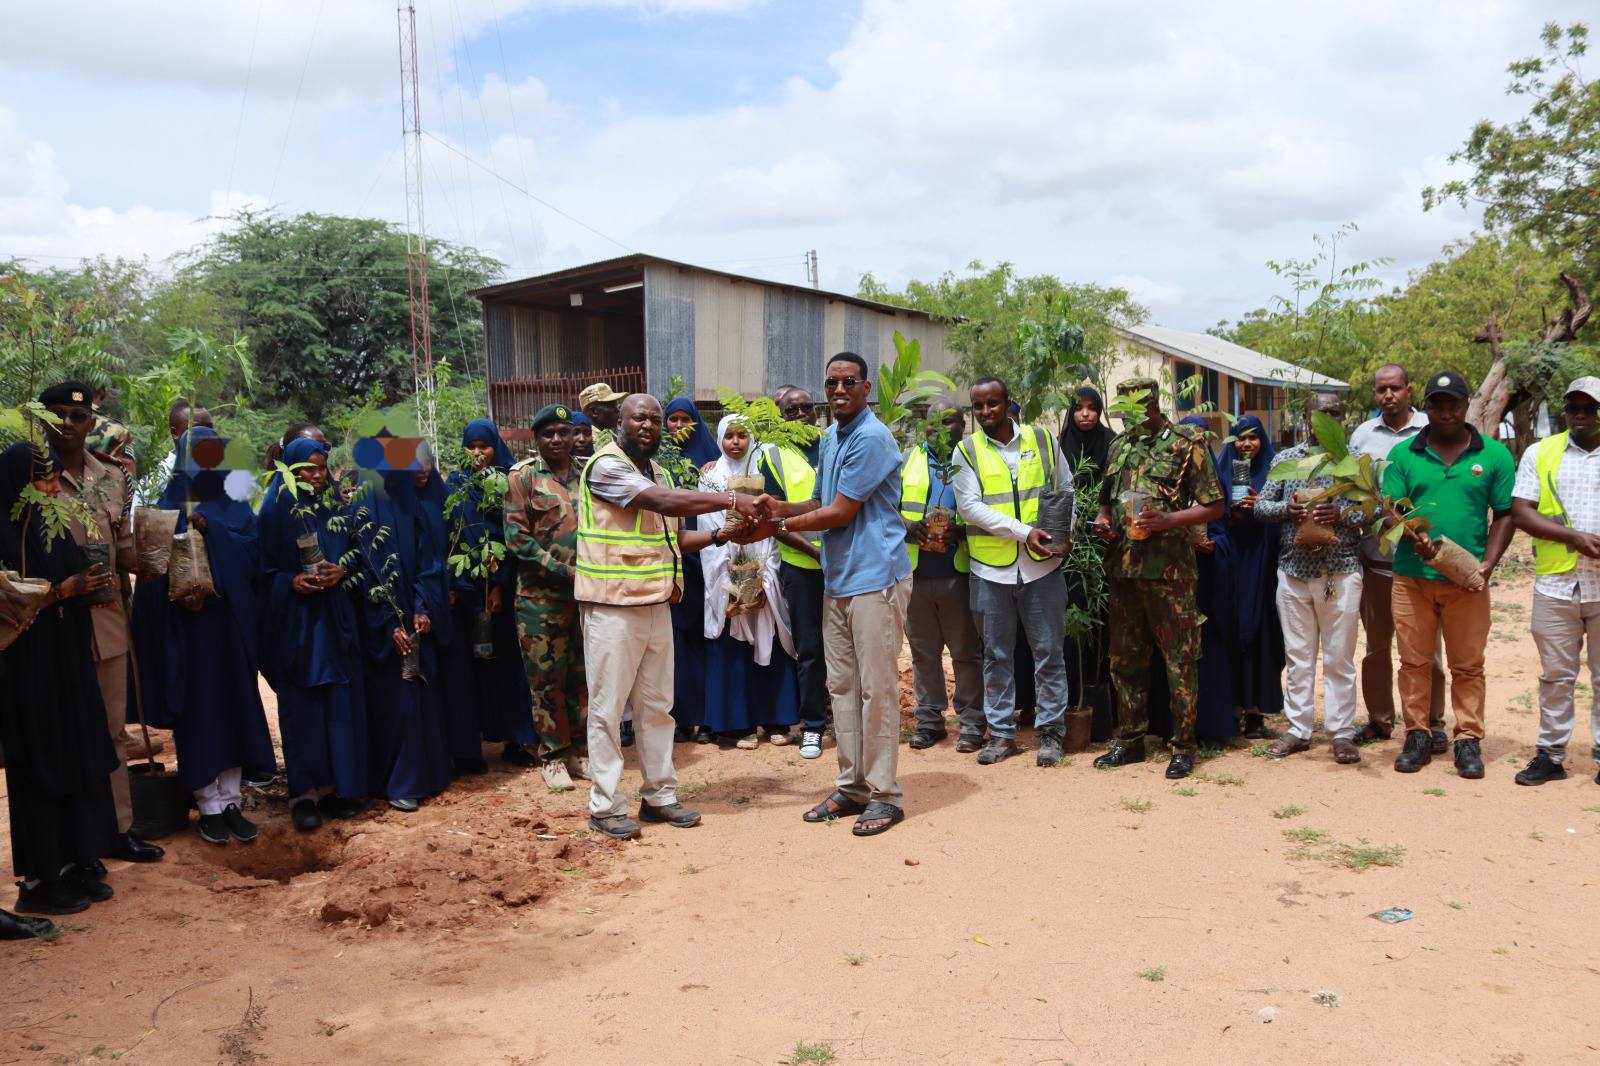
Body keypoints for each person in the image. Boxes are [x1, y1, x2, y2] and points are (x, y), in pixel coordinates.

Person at [743, 353, 913, 837]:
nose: (838, 389)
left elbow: (839, 513)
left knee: (876, 689)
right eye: (832, 382)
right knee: (842, 685)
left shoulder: (872, 437)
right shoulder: (833, 437)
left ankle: (884, 795)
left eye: (849, 382)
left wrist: (776, 525)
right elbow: (818, 501)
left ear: (866, 389)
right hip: (839, 578)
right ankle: (852, 785)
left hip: (875, 579)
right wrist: (778, 506)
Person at [576, 393, 748, 840]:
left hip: (655, 604)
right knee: (608, 711)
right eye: (640, 418)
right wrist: (730, 500)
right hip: (612, 606)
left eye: (654, 419)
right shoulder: (605, 466)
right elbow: (664, 503)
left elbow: (674, 540)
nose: (649, 425)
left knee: (658, 709)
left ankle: (659, 796)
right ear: (620, 422)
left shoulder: (661, 472)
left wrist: (717, 536)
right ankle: (606, 805)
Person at [42, 383, 164, 863]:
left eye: (77, 415)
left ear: (91, 423)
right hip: (53, 621)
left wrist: (158, 557)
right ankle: (72, 841)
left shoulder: (113, 477)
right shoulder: (27, 474)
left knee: (112, 730)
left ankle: (117, 830)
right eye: (58, 414)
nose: (67, 423)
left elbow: (126, 547)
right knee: (63, 729)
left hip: (107, 620)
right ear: (44, 420)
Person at [0, 442, 120, 920]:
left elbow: (71, 577)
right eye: (40, 481)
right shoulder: (6, 531)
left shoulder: (50, 530)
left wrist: (86, 587)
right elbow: (11, 609)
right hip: (28, 670)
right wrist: (59, 594)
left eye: (52, 479)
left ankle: (77, 860)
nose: (51, 490)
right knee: (41, 758)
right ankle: (42, 878)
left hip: (67, 659)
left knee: (79, 746)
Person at [141, 426, 276, 845]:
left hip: (228, 624)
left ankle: (232, 800)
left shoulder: (233, 498)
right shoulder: (171, 498)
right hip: (190, 629)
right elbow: (150, 563)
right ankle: (208, 803)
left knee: (234, 705)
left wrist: (213, 532)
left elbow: (252, 551)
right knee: (199, 711)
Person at [1091, 377, 1225, 780]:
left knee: (1179, 661)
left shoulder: (1187, 442)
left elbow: (1215, 506)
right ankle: (1130, 740)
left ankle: (1183, 746)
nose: (1131, 419)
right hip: (1125, 569)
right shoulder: (1118, 446)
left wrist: (1169, 520)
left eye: (1137, 410)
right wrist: (1103, 520)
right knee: (1125, 660)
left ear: (1152, 407)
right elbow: (1105, 501)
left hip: (1170, 573)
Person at [1384, 370, 1516, 777]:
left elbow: (1506, 514)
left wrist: (1488, 564)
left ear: (1466, 406)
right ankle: (1418, 735)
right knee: (1413, 663)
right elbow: (1394, 507)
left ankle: (1468, 740)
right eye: (1437, 404)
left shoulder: (1494, 455)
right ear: (1425, 407)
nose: (1445, 411)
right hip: (1411, 577)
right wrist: (1415, 536)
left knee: (1467, 665)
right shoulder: (1404, 454)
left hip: (1467, 579)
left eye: (1453, 404)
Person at [951, 378, 1073, 767]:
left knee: (1049, 653)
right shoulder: (966, 450)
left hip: (1042, 568)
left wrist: (1068, 534)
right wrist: (1025, 533)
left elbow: (1065, 489)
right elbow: (970, 507)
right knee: (996, 656)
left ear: (1008, 404)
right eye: (979, 406)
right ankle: (1001, 734)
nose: (986, 412)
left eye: (993, 404)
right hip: (990, 571)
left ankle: (1052, 733)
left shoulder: (1042, 440)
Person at [256, 437, 367, 831]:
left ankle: (340, 787)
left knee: (339, 706)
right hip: (299, 626)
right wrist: (290, 582)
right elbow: (262, 571)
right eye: (309, 470)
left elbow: (358, 550)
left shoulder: (336, 505)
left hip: (334, 621)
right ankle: (303, 794)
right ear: (291, 470)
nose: (318, 477)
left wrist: (344, 570)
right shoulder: (274, 510)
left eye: (322, 469)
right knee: (302, 709)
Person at [1253, 392, 1368, 764]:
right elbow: (1260, 506)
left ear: (1344, 416)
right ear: (1306, 417)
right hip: (1293, 572)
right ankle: (1298, 729)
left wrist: (1342, 516)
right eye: (1320, 413)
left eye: (1335, 412)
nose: (1327, 418)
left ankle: (1341, 733)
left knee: (1339, 658)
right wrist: (1288, 508)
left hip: (1341, 570)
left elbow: (1370, 515)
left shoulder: (1354, 464)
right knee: (1299, 657)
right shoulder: (1288, 460)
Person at [1348, 364, 1447, 748]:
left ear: (1409, 390)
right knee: (1376, 649)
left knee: (1427, 651)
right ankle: (1379, 719)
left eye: (1395, 388)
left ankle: (1432, 722)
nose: (1388, 395)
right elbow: (1354, 490)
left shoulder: (1430, 429)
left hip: (1421, 562)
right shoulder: (1362, 435)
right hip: (1376, 562)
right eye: (1381, 390)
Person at [1510, 377, 1600, 786]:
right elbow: (1522, 513)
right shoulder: (1541, 451)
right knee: (1555, 677)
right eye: (1574, 407)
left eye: (1590, 407)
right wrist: (1574, 538)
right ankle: (1551, 755)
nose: (1581, 415)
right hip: (1556, 584)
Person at [504, 404, 591, 792]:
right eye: (548, 434)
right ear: (536, 438)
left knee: (580, 677)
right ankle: (553, 756)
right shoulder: (523, 478)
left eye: (562, 431)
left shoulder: (588, 473)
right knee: (546, 679)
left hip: (585, 596)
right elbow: (517, 539)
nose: (556, 439)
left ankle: (577, 750)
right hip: (540, 598)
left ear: (574, 434)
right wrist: (563, 571)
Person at [356, 460, 451, 812]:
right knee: (395, 702)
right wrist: (388, 623)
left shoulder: (413, 505)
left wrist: (423, 607)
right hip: (382, 626)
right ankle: (399, 781)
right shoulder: (363, 509)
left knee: (421, 693)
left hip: (415, 615)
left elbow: (430, 563)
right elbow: (363, 573)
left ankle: (429, 775)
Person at [699, 415, 799, 746]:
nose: (736, 442)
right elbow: (708, 527)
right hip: (726, 568)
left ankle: (776, 720)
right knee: (734, 643)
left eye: (743, 435)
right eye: (729, 436)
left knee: (768, 634)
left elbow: (774, 522)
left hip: (763, 565)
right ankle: (738, 724)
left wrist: (762, 570)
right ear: (719, 439)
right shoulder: (711, 478)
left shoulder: (763, 470)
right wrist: (731, 574)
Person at [445, 420, 540, 769]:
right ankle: (473, 746)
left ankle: (517, 739)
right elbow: (450, 536)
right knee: (470, 670)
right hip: (467, 592)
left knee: (509, 668)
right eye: (471, 446)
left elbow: (515, 537)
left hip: (503, 589)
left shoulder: (508, 484)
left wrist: (500, 584)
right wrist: (458, 586)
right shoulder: (455, 485)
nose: (477, 453)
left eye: (484, 445)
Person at [901, 398, 983, 751]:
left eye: (948, 422)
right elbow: (884, 505)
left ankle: (971, 722)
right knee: (923, 652)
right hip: (915, 571)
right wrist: (908, 527)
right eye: (931, 423)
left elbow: (989, 510)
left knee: (965, 651)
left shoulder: (973, 460)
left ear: (963, 425)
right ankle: (930, 721)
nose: (938, 429)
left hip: (958, 571)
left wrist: (960, 531)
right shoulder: (907, 459)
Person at [757, 385, 828, 757]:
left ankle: (850, 720)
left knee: (849, 645)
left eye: (806, 407)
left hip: (848, 562)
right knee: (811, 647)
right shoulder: (772, 456)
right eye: (791, 410)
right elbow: (774, 519)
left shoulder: (834, 442)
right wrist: (815, 553)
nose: (801, 414)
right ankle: (814, 725)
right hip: (802, 564)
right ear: (781, 415)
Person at [1216, 415, 1285, 738]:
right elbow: (1211, 512)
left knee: (1262, 631)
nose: (1246, 444)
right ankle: (1233, 706)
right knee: (1231, 629)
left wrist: (1262, 506)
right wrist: (1231, 512)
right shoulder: (1222, 469)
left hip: (1264, 559)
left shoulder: (1276, 469)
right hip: (1232, 564)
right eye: (1240, 438)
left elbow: (1287, 513)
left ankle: (1257, 711)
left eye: (1253, 437)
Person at [1061, 387, 1119, 740]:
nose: (1085, 414)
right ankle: (1072, 701)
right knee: (1072, 621)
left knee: (1103, 624)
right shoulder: (1060, 444)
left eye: (1092, 408)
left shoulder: (1112, 444)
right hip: (1071, 552)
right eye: (1079, 408)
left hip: (1102, 549)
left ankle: (1107, 708)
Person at [662, 397, 719, 742]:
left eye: (686, 420)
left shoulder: (711, 462)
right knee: (675, 643)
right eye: (673, 420)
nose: (679, 426)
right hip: (672, 561)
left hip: (708, 560)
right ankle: (682, 716)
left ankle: (709, 717)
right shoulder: (658, 463)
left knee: (707, 637)